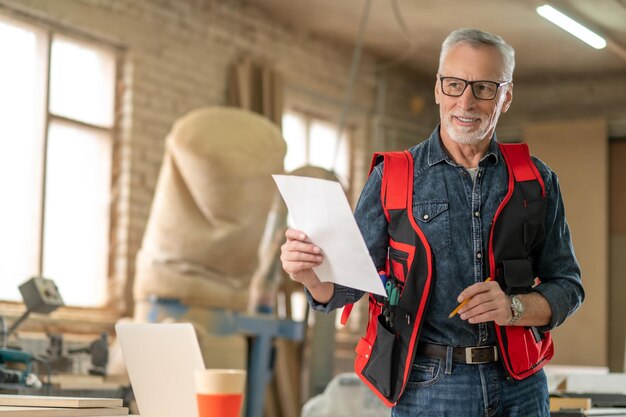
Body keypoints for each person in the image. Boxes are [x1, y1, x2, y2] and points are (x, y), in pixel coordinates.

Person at [280, 28, 584, 416]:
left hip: (520, 389)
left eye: (484, 88)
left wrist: (514, 307)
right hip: (429, 391)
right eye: (454, 84)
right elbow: (343, 288)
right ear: (438, 89)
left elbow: (568, 286)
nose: (466, 101)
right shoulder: (393, 178)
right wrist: (309, 274)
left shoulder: (537, 181)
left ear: (505, 96)